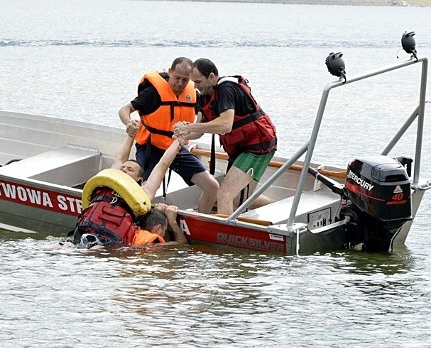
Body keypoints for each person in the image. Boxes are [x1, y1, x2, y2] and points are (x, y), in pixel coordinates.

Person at [173, 58, 278, 217]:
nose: (195, 86)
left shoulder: (226, 89)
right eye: (193, 82)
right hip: (240, 148)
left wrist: (189, 127)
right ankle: (279, 207)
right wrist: (183, 133)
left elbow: (226, 124)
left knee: (224, 195)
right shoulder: (203, 97)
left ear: (212, 77)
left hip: (257, 145)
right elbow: (199, 130)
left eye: (198, 81)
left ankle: (224, 237)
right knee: (237, 200)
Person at [118, 57, 219, 213]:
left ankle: (199, 222)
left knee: (212, 186)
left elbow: (198, 132)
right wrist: (128, 124)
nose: (180, 83)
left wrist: (187, 133)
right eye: (177, 78)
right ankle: (135, 217)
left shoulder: (195, 94)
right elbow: (124, 110)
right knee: (142, 189)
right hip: (150, 147)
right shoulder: (152, 93)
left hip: (176, 148)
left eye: (185, 80)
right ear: (170, 72)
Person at [72, 128, 188, 249]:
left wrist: (178, 141)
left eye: (130, 169)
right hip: (83, 229)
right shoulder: (110, 181)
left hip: (109, 239)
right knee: (61, 245)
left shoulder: (144, 192)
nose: (124, 170)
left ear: (139, 180)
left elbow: (163, 164)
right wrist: (131, 135)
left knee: (93, 249)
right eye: (123, 168)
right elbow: (119, 159)